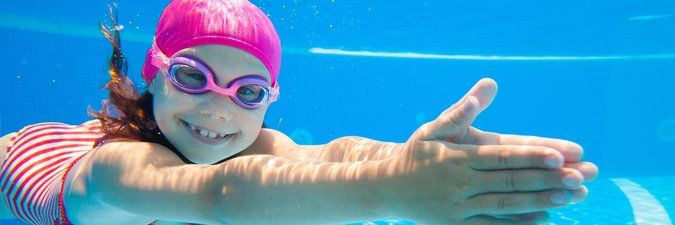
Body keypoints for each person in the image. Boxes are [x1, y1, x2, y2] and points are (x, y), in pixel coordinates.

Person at [0, 0, 598, 224]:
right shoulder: (115, 172)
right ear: (154, 73)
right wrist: (391, 193)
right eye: (191, 77)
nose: (217, 108)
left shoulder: (240, 138)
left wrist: (428, 166)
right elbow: (218, 198)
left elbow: (329, 156)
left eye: (249, 93)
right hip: (33, 157)